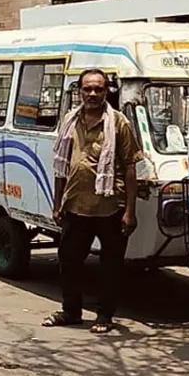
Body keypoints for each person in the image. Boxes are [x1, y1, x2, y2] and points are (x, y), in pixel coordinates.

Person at [43, 69, 140, 334]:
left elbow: (131, 167)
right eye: (88, 89)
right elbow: (61, 168)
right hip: (75, 205)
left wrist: (130, 212)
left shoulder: (118, 123)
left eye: (98, 89)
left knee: (110, 267)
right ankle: (71, 311)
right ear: (79, 91)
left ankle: (104, 316)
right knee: (69, 261)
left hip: (110, 207)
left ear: (106, 91)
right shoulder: (69, 122)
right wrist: (56, 203)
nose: (93, 94)